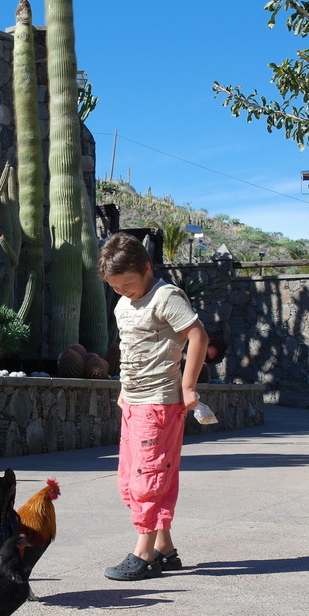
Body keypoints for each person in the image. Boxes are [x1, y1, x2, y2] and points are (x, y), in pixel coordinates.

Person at [96, 233, 208, 581]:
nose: (123, 291)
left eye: (128, 283)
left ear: (146, 268)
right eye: (115, 287)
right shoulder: (122, 305)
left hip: (159, 402)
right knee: (131, 478)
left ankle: (143, 555)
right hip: (133, 402)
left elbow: (198, 335)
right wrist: (123, 389)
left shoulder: (166, 297)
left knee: (148, 479)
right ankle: (165, 550)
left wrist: (188, 387)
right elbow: (130, 349)